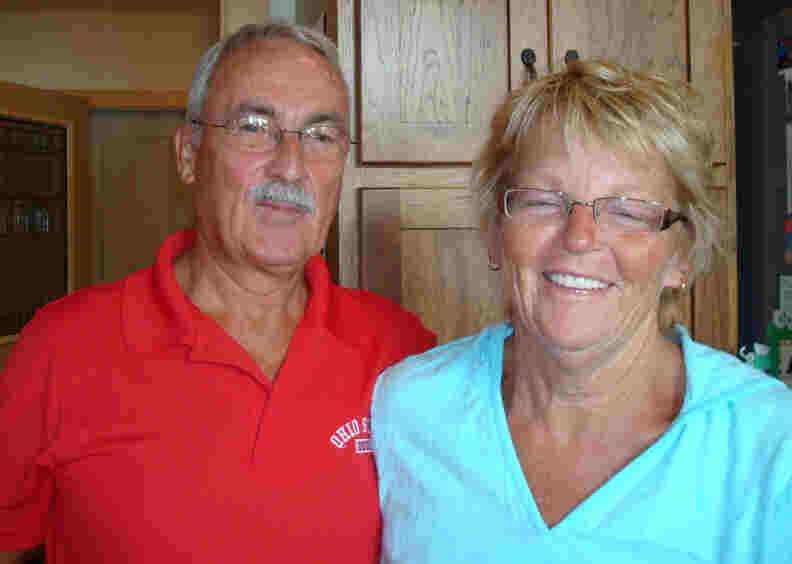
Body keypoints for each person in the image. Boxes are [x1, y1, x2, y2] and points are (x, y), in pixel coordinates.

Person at [0, 21, 435, 563]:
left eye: (321, 136)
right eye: (255, 127)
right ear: (188, 155)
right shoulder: (60, 349)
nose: (291, 166)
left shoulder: (403, 352)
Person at [372, 59, 792, 563]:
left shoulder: (770, 446)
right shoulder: (407, 409)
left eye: (628, 210)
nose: (579, 237)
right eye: (544, 201)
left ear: (682, 256)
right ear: (496, 229)